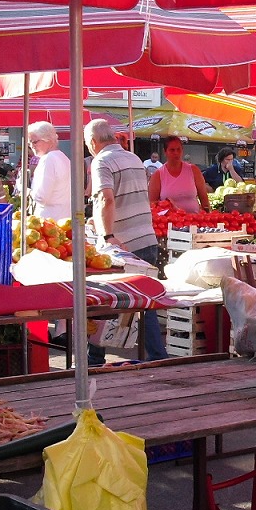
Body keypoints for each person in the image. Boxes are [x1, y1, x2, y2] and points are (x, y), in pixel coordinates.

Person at [85, 120, 168, 362]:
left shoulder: (102, 161)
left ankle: (95, 358)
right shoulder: (134, 158)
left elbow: (106, 198)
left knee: (103, 301)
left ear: (93, 142)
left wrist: (107, 235)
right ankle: (157, 356)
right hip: (146, 237)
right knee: (145, 303)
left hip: (123, 243)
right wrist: (98, 220)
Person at [149, 135, 210, 213]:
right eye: (172, 150)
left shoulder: (194, 170)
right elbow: (152, 204)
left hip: (194, 219)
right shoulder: (157, 175)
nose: (176, 153)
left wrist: (207, 216)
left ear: (182, 150)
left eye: (178, 149)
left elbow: (204, 200)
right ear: (165, 152)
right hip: (168, 220)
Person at [25, 121, 73, 219]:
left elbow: (41, 197)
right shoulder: (63, 157)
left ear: (48, 139)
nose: (32, 146)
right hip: (64, 217)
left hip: (49, 220)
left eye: (34, 142)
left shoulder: (48, 159)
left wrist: (25, 190)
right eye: (29, 143)